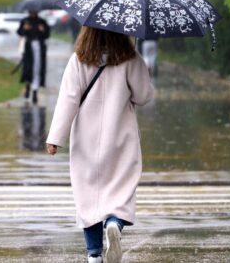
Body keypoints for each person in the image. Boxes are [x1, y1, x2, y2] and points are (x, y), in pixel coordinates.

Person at [46, 27, 154, 263]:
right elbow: (144, 96)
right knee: (121, 190)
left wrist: (55, 138)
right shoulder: (129, 59)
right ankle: (114, 223)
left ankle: (94, 254)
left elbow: (68, 99)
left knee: (88, 197)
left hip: (86, 140)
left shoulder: (79, 59)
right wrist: (139, 64)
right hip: (121, 139)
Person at [17, 10, 50, 104]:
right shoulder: (25, 21)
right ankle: (28, 87)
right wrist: (24, 29)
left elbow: (47, 35)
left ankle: (35, 92)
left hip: (39, 49)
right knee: (28, 69)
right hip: (28, 49)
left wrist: (43, 30)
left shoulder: (42, 22)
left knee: (37, 69)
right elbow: (20, 32)